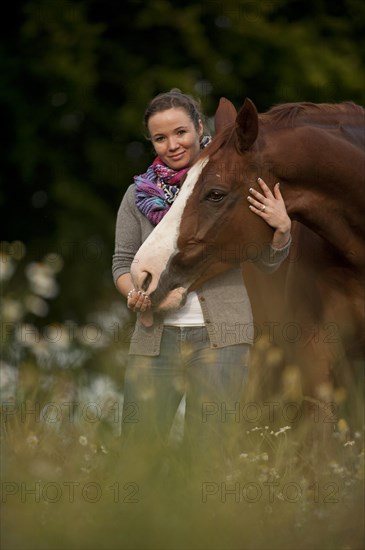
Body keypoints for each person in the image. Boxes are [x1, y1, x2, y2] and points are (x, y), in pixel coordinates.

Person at [112, 89, 291, 479]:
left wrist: (281, 230)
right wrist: (134, 294)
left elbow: (266, 262)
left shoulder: (231, 184)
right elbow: (122, 264)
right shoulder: (137, 196)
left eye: (180, 132)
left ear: (199, 127)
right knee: (136, 457)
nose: (172, 145)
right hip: (153, 340)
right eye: (160, 138)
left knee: (206, 459)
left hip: (221, 341)